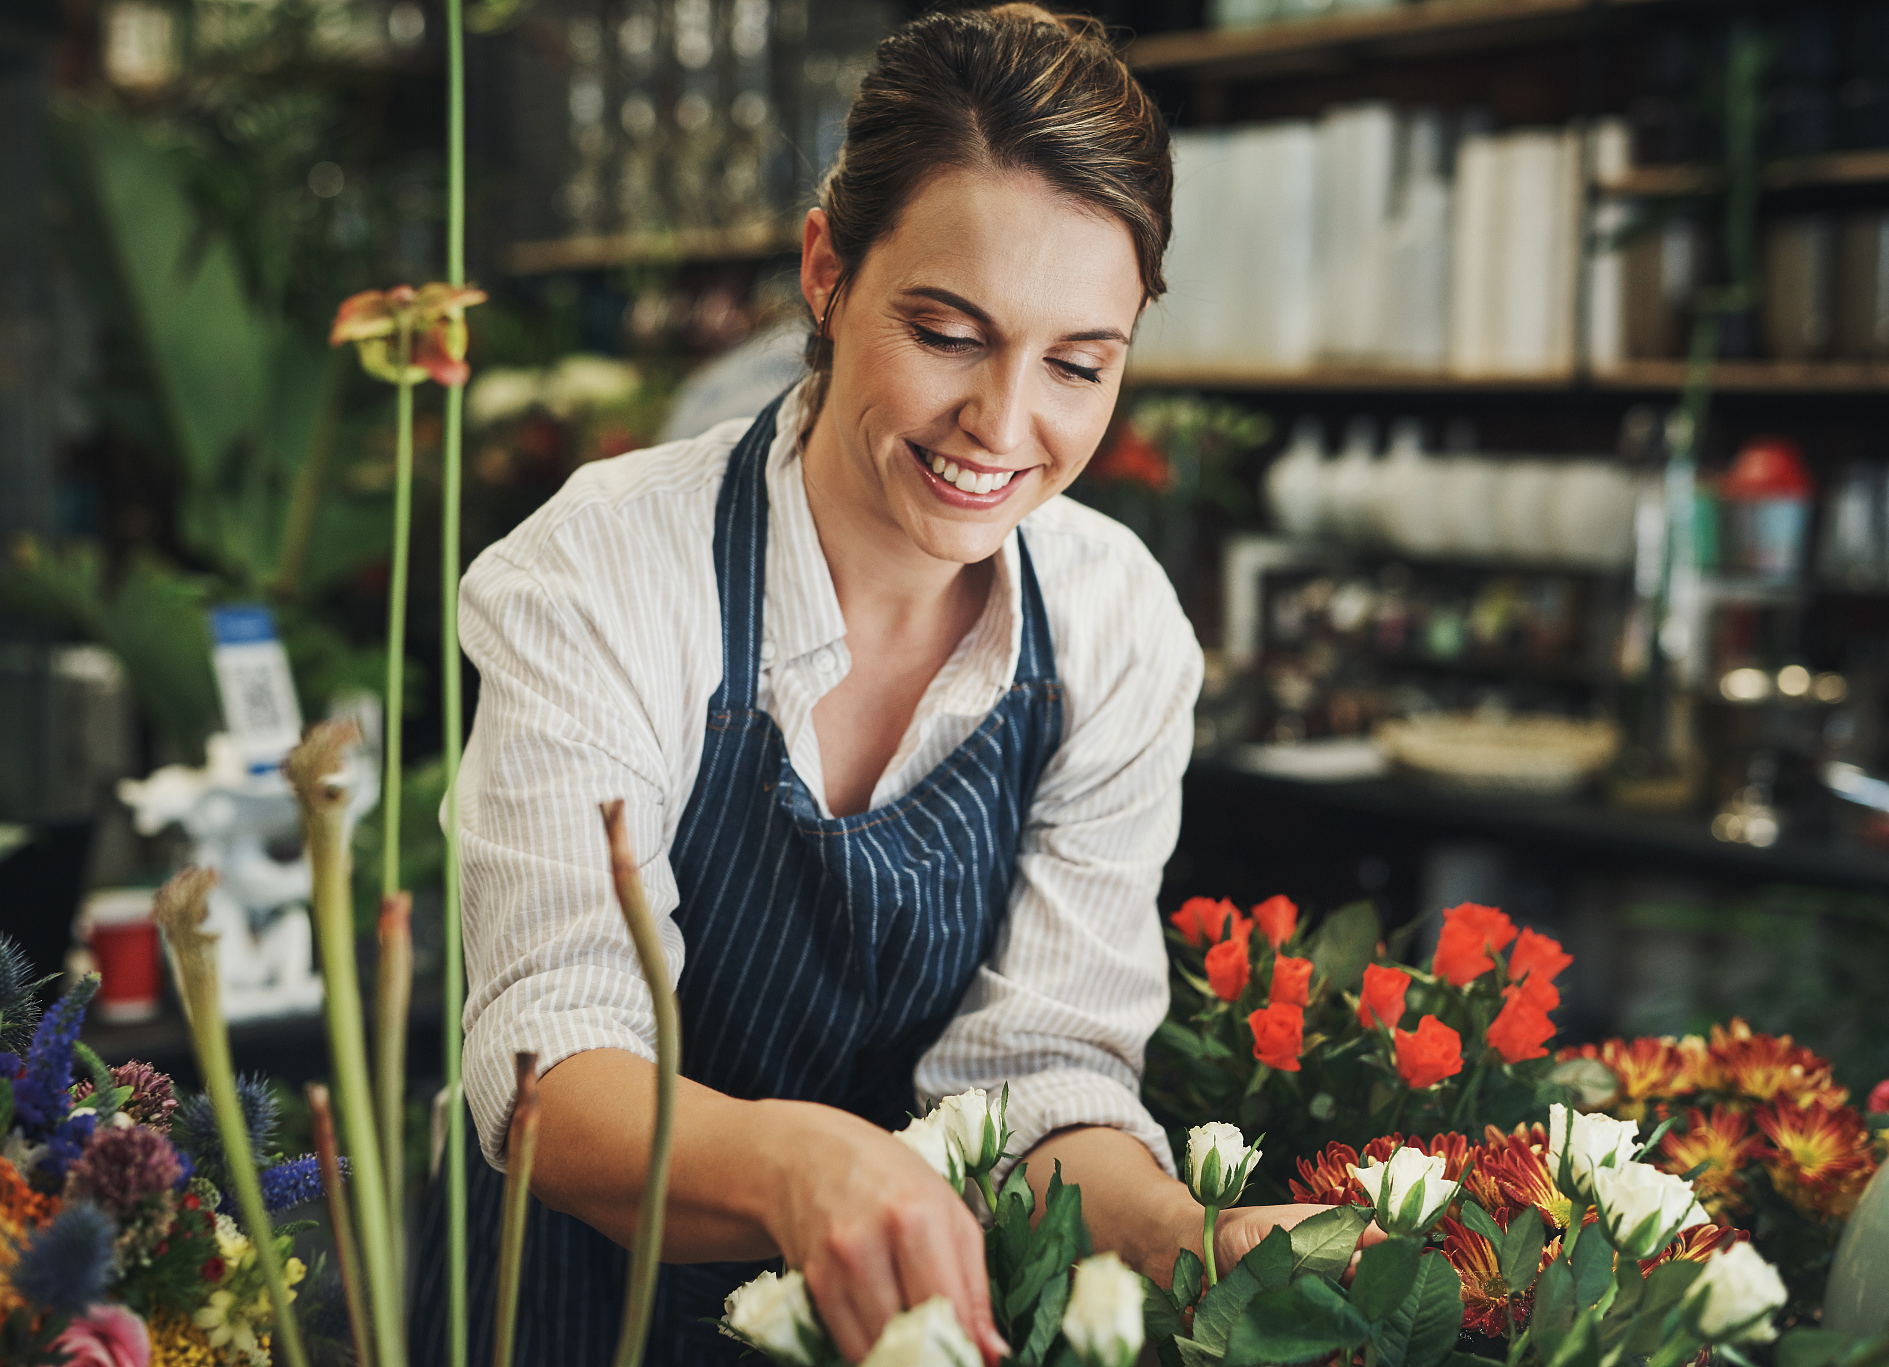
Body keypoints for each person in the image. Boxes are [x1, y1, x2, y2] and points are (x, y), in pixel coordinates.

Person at [412, 7, 1356, 1364]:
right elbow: (553, 1074)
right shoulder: (605, 570)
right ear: (825, 272)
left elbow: (1039, 1087)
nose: (1005, 424)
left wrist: (1189, 1240)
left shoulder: (1112, 625)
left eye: (1081, 364)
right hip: (572, 1317)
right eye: (949, 332)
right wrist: (806, 1169)